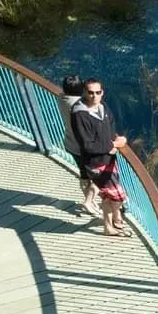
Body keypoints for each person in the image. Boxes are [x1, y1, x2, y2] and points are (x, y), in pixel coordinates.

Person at [69, 78, 131, 237]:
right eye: (90, 92)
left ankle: (110, 225)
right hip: (95, 163)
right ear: (84, 92)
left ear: (102, 92)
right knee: (117, 196)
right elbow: (87, 145)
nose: (94, 96)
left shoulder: (102, 107)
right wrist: (113, 146)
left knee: (108, 196)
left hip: (108, 160)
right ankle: (113, 222)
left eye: (98, 92)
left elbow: (110, 125)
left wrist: (117, 140)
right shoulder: (80, 114)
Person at [60, 75, 100, 216]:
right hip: (85, 148)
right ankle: (89, 201)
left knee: (84, 175)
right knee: (100, 175)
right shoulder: (82, 107)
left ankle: (90, 201)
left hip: (71, 144)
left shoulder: (62, 99)